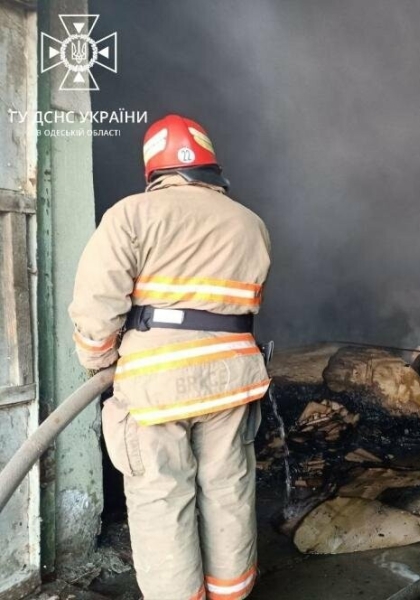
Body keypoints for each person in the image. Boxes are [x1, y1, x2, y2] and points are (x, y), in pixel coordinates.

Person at [69, 114, 271, 600]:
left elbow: (97, 307)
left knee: (163, 500)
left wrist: (99, 362)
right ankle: (233, 593)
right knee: (228, 491)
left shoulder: (132, 215)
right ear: (209, 164)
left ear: (154, 171)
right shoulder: (250, 222)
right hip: (232, 381)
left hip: (156, 389)